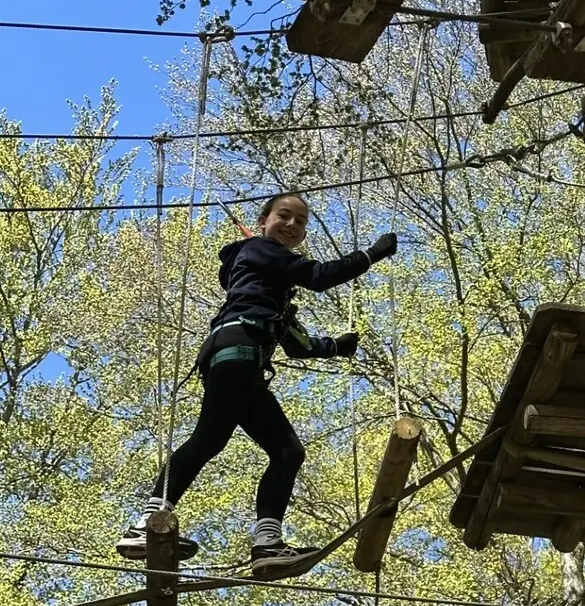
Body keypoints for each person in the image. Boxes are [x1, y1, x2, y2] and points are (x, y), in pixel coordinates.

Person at [116, 193, 397, 577]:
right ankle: (147, 523)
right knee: (213, 439)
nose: (292, 225)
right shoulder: (258, 249)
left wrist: (335, 346)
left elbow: (296, 343)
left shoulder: (268, 283)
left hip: (240, 357)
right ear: (264, 220)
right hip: (238, 352)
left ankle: (266, 544)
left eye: (300, 221)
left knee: (285, 452)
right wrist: (371, 254)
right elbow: (321, 276)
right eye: (284, 215)